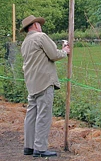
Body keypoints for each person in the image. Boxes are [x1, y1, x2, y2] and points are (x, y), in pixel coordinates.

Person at [20, 15, 70, 157]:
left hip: (31, 83)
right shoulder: (41, 37)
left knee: (31, 115)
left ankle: (28, 147)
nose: (40, 26)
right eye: (39, 24)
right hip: (44, 81)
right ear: (35, 25)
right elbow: (54, 55)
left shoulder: (25, 42)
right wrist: (65, 52)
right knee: (43, 115)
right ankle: (40, 148)